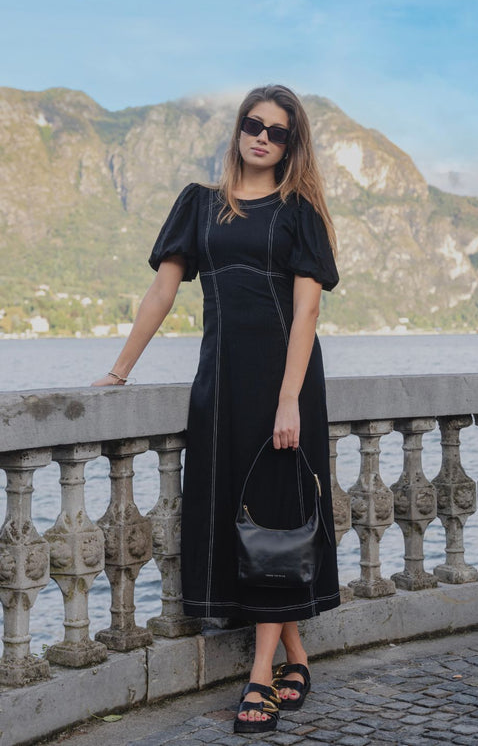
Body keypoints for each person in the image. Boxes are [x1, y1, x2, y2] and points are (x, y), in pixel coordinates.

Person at [93, 84, 340, 734]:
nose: (262, 136)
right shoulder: (199, 206)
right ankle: (294, 654)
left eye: (278, 131)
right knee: (247, 523)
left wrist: (289, 401)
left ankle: (258, 679)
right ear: (238, 129)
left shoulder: (299, 210)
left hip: (285, 388)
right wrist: (118, 372)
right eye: (253, 124)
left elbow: (308, 309)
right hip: (222, 388)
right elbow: (161, 292)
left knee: (281, 515)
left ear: (291, 145)